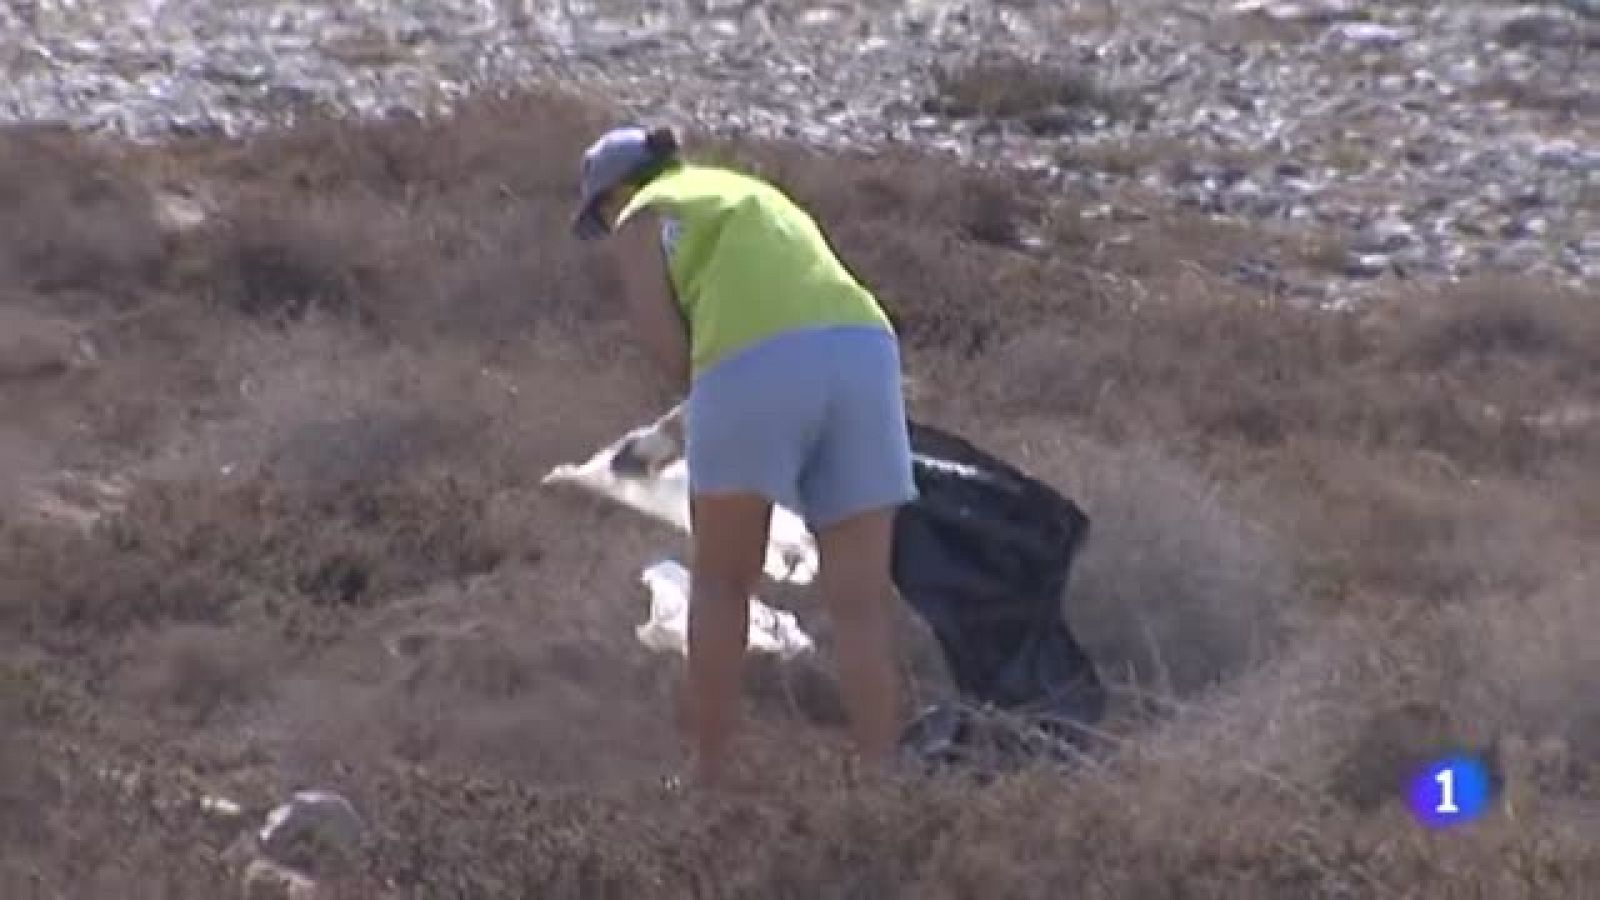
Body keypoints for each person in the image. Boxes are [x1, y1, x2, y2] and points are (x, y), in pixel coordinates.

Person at [570, 124, 918, 787]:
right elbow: (789, 332)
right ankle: (884, 779)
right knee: (861, 600)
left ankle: (709, 776)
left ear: (619, 192)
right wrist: (676, 433)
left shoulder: (643, 217)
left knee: (723, 582)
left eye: (604, 211)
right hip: (867, 349)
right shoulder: (748, 193)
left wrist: (693, 425)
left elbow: (677, 349)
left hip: (753, 365)